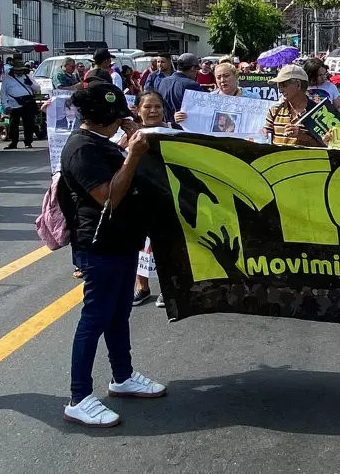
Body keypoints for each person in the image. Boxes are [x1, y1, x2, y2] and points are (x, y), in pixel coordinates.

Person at [59, 84, 166, 427]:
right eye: (117, 117)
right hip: (99, 245)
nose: (122, 122)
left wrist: (132, 144)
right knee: (95, 319)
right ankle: (79, 397)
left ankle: (122, 376)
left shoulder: (101, 143)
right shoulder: (81, 150)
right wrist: (132, 154)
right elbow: (108, 198)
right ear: (101, 119)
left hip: (122, 242)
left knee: (118, 314)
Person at [121, 91, 170, 308]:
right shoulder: (127, 136)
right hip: (136, 198)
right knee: (140, 244)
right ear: (138, 111)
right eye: (147, 107)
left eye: (157, 106)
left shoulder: (175, 132)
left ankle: (168, 289)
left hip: (166, 198)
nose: (153, 111)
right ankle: (142, 287)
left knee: (166, 245)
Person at [173, 63, 259, 126]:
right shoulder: (208, 99)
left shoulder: (253, 99)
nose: (222, 80)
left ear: (236, 76)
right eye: (218, 77)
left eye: (226, 76)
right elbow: (199, 121)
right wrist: (182, 118)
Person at [264, 64, 324, 147]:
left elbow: (330, 147)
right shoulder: (274, 110)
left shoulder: (320, 112)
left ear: (298, 85)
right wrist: (262, 134)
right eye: (278, 85)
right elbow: (264, 140)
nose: (280, 90)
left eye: (283, 85)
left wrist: (303, 137)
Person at [0, 65, 41, 149]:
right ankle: (14, 142)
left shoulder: (28, 77)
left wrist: (31, 84)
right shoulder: (7, 79)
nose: (19, 72)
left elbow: (37, 89)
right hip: (14, 105)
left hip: (28, 104)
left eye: (21, 70)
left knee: (29, 124)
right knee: (13, 125)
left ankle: (28, 142)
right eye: (17, 70)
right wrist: (6, 106)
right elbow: (3, 93)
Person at [156, 53, 202, 118]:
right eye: (197, 69)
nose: (197, 72)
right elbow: (201, 110)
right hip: (183, 126)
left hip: (165, 125)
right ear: (193, 68)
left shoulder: (163, 81)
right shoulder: (192, 85)